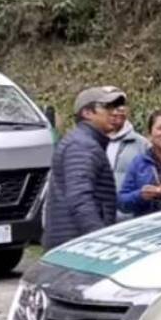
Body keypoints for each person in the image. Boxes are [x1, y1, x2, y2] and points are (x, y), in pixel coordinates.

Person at [43, 86, 124, 249]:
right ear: (87, 113)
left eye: (115, 107)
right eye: (107, 107)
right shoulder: (82, 145)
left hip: (72, 241)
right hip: (75, 245)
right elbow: (80, 198)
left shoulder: (84, 141)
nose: (114, 112)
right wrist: (99, 240)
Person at [105, 94, 149, 220]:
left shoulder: (141, 144)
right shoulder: (90, 143)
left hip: (129, 220)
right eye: (110, 107)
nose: (116, 112)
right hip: (97, 219)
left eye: (120, 106)